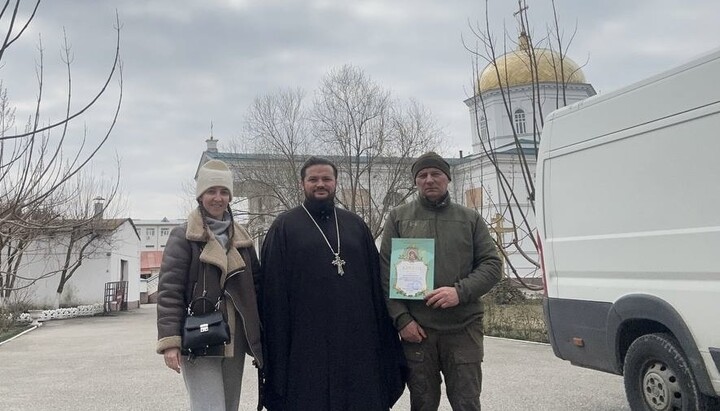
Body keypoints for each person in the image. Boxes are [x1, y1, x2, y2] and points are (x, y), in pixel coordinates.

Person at [260, 156, 405, 411]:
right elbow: (272, 291)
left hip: (357, 340)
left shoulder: (355, 225)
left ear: (335, 182)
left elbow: (375, 282)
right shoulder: (284, 226)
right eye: (313, 179)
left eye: (326, 179)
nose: (320, 184)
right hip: (306, 341)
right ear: (302, 183)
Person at [380, 151, 502, 411]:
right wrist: (403, 320)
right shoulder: (399, 217)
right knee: (422, 403)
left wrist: (460, 292)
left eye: (436, 174)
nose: (429, 180)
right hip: (419, 331)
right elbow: (385, 273)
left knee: (467, 402)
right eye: (422, 175)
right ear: (415, 182)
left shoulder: (469, 219)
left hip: (463, 328)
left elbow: (492, 265)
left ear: (447, 178)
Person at [156, 159, 263, 411]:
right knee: (208, 407)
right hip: (198, 337)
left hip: (234, 339)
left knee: (229, 405)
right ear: (200, 196)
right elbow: (169, 291)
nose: (218, 198)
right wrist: (171, 341)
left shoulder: (243, 238)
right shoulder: (183, 236)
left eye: (224, 192)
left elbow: (257, 288)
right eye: (211, 191)